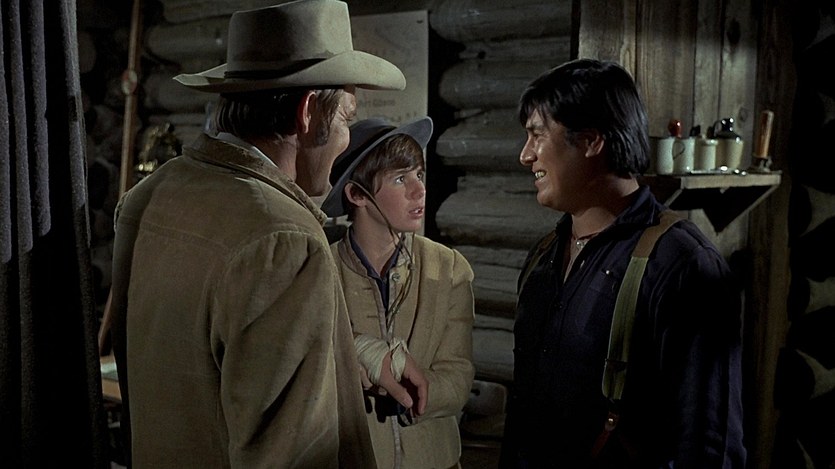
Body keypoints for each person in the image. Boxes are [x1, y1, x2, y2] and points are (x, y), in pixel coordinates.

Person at [107, 1, 415, 467]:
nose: (346, 139)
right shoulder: (286, 238)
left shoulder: (151, 195)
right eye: (346, 119)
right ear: (308, 113)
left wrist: (346, 361)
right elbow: (290, 452)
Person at [499, 59, 746, 468]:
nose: (525, 155)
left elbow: (710, 446)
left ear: (591, 141)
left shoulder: (683, 265)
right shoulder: (544, 257)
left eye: (538, 135)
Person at [320, 117, 476, 469]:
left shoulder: (448, 268)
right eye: (400, 179)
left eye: (419, 174)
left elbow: (458, 374)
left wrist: (415, 393)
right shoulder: (320, 270)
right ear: (357, 195)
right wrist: (362, 356)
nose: (419, 190)